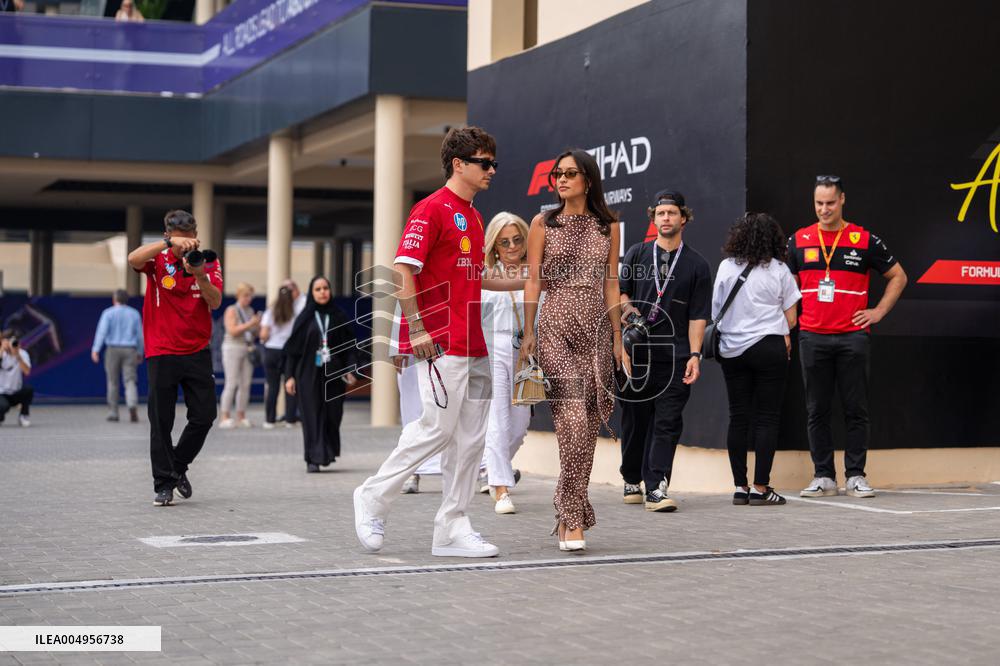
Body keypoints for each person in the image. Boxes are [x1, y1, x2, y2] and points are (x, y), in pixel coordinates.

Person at [354, 125, 517, 558]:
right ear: (459, 164)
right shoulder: (430, 209)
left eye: (493, 163)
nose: (492, 171)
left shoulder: (476, 216)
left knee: (470, 440)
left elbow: (475, 276)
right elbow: (403, 272)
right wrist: (418, 328)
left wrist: (530, 278)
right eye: (485, 163)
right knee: (436, 429)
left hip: (474, 343)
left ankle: (452, 527)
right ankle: (373, 496)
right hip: (440, 342)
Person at [521, 149, 623, 552]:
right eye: (556, 175)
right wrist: (527, 331)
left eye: (570, 173)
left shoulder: (608, 226)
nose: (561, 180)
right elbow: (532, 281)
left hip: (595, 326)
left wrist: (617, 339)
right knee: (574, 420)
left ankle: (571, 514)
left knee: (587, 427)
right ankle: (572, 514)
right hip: (555, 325)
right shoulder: (542, 222)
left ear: (588, 179)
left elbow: (612, 283)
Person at [789, 175, 907, 499]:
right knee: (817, 409)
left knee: (856, 409)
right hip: (812, 336)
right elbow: (781, 286)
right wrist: (790, 324)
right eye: (818, 203)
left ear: (842, 200)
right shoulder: (798, 240)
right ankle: (823, 476)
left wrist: (878, 312)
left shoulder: (863, 238)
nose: (824, 209)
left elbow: (898, 276)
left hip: (853, 336)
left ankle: (855, 475)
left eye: (830, 202)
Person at [618, 190, 712, 513]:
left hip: (676, 355)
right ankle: (632, 476)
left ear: (683, 218)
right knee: (635, 420)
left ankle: (656, 485)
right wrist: (632, 318)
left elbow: (699, 315)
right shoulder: (636, 254)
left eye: (672, 213)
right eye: (661, 214)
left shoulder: (697, 265)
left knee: (668, 421)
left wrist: (695, 355)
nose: (666, 218)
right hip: (638, 354)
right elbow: (620, 295)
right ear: (653, 218)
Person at [127, 209, 223, 507]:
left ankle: (177, 467)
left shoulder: (208, 260)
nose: (187, 241)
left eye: (190, 236)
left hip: (197, 350)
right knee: (161, 420)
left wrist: (199, 273)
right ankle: (164, 485)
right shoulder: (158, 257)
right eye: (179, 236)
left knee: (205, 416)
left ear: (196, 235)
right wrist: (168, 246)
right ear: (168, 234)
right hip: (161, 350)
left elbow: (216, 301)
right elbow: (133, 258)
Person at [713, 213, 801, 506]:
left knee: (738, 417)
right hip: (769, 347)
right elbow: (791, 319)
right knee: (767, 418)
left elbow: (716, 311)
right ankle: (761, 488)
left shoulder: (726, 267)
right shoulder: (779, 270)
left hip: (732, 350)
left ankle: (740, 487)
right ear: (773, 239)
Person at [481, 212, 532, 515]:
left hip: (526, 350)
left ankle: (490, 467)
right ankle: (501, 489)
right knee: (498, 417)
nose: (512, 246)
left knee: (520, 425)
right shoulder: (486, 274)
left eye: (517, 239)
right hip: (493, 349)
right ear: (495, 246)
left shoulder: (536, 273)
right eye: (504, 242)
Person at [284, 276, 358, 473]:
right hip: (307, 373)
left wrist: (351, 368)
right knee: (311, 414)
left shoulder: (339, 316)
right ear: (312, 293)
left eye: (325, 288)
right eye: (318, 289)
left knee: (333, 414)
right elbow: (293, 350)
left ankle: (327, 451)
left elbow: (350, 346)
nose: (322, 292)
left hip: (334, 373)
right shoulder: (305, 317)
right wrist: (289, 376)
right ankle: (313, 458)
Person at [91, 289, 144, 423]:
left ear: (114, 300)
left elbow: (101, 332)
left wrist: (96, 349)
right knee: (130, 380)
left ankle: (113, 412)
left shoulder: (108, 313)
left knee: (112, 382)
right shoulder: (134, 314)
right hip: (130, 349)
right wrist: (139, 352)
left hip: (112, 349)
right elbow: (140, 336)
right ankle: (132, 405)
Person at [219, 282, 260, 429]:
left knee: (245, 383)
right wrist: (250, 324)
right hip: (232, 347)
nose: (248, 299)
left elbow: (253, 333)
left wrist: (257, 326)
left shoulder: (250, 311)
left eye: (250, 296)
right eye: (245, 296)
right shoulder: (232, 310)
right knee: (232, 383)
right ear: (239, 295)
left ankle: (241, 415)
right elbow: (232, 331)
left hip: (247, 347)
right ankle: (224, 416)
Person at [260, 285, 298, 429]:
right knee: (290, 384)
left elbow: (263, 335)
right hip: (288, 352)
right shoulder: (295, 314)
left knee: (272, 387)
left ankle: (269, 421)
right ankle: (290, 419)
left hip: (271, 351)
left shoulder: (270, 312)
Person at [0, 331, 32, 428]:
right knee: (3, 406)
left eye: (14, 342)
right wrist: (2, 349)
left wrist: (17, 356)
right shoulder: (1, 353)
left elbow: (27, 371)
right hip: (1, 393)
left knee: (28, 390)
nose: (12, 344)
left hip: (15, 392)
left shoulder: (23, 354)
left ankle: (23, 416)